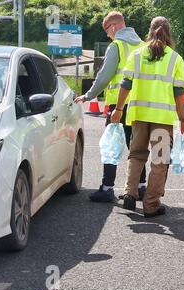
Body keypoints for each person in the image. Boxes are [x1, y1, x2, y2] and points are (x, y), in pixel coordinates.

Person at [111, 16, 184, 217]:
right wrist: (183, 120)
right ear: (169, 33)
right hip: (162, 119)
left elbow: (126, 84)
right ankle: (151, 205)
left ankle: (130, 192)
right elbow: (178, 93)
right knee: (159, 160)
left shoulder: (137, 54)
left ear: (149, 31)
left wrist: (118, 110)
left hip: (138, 114)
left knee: (136, 154)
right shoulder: (175, 59)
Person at [74, 11, 147, 202]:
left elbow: (105, 75)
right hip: (138, 104)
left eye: (107, 30)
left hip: (118, 104)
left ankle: (107, 188)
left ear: (114, 27)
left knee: (111, 147)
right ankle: (140, 187)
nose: (107, 34)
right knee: (136, 146)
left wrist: (89, 95)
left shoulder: (117, 46)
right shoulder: (142, 46)